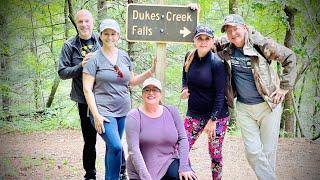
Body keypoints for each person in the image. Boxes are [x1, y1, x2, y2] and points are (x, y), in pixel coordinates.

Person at [218, 14, 297, 180]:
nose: (232, 33)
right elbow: (202, 40)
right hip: (244, 107)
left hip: (268, 105)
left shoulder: (261, 44)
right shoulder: (225, 46)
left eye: (236, 29)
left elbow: (290, 57)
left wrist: (284, 89)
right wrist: (194, 12)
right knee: (253, 152)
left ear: (244, 27)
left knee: (268, 153)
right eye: (228, 31)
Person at [82, 18, 155, 180]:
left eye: (113, 34)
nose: (110, 37)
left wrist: (151, 71)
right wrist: (96, 115)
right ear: (100, 35)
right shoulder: (93, 58)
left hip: (123, 110)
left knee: (112, 148)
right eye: (106, 33)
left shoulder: (124, 56)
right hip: (103, 111)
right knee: (115, 146)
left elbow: (132, 81)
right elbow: (87, 89)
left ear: (118, 36)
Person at [181, 25, 230, 180]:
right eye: (200, 38)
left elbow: (221, 94)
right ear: (194, 40)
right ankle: (189, 175)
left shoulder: (217, 63)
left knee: (215, 154)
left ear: (212, 41)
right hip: (194, 113)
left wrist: (213, 120)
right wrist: (185, 87)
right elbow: (185, 73)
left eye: (207, 39)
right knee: (180, 148)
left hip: (217, 117)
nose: (203, 42)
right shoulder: (189, 56)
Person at [125, 78, 197, 180]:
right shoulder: (134, 116)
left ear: (160, 94)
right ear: (142, 94)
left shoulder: (172, 111)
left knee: (187, 177)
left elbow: (183, 139)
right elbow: (133, 150)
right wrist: (146, 178)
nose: (151, 93)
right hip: (144, 166)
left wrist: (184, 166)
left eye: (155, 90)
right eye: (147, 90)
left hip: (169, 160)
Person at [58, 9, 101, 180]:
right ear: (76, 24)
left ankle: (120, 172)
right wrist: (81, 66)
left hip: (105, 97)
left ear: (92, 22)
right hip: (84, 100)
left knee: (115, 140)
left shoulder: (102, 39)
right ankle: (90, 175)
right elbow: (62, 72)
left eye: (87, 21)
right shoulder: (69, 45)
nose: (84, 24)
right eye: (80, 22)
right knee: (90, 141)